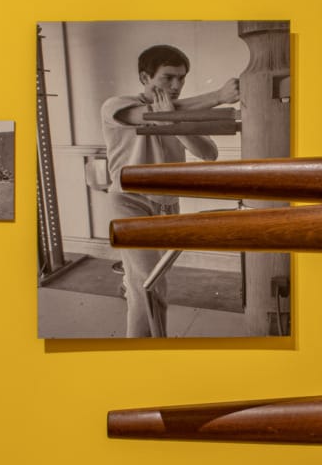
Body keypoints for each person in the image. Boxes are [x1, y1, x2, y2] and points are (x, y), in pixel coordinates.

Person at [101, 44, 240, 337]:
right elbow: (151, 115)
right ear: (145, 77)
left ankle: (130, 282)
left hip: (166, 204)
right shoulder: (115, 105)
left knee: (150, 280)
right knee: (149, 285)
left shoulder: (179, 113)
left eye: (182, 78)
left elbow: (209, 153)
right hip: (129, 202)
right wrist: (218, 96)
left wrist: (176, 123)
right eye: (168, 78)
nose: (176, 86)